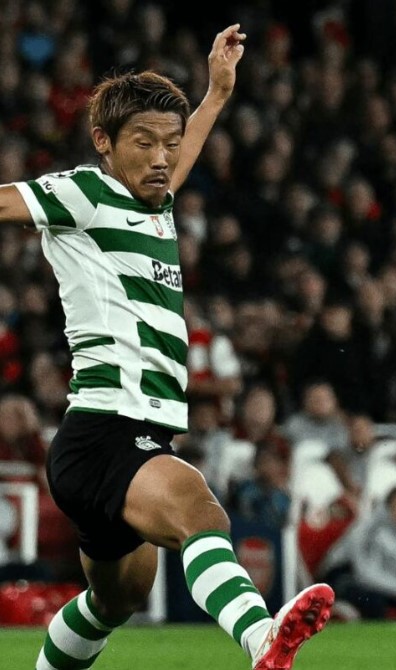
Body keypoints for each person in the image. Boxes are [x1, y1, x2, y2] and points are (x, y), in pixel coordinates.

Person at [0, 26, 333, 670]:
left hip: (124, 439)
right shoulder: (84, 194)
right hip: (105, 431)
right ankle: (262, 639)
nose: (161, 158)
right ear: (104, 141)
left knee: (115, 600)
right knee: (200, 513)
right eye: (144, 142)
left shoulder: (156, 201)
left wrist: (216, 95)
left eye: (169, 144)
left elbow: (180, 156)